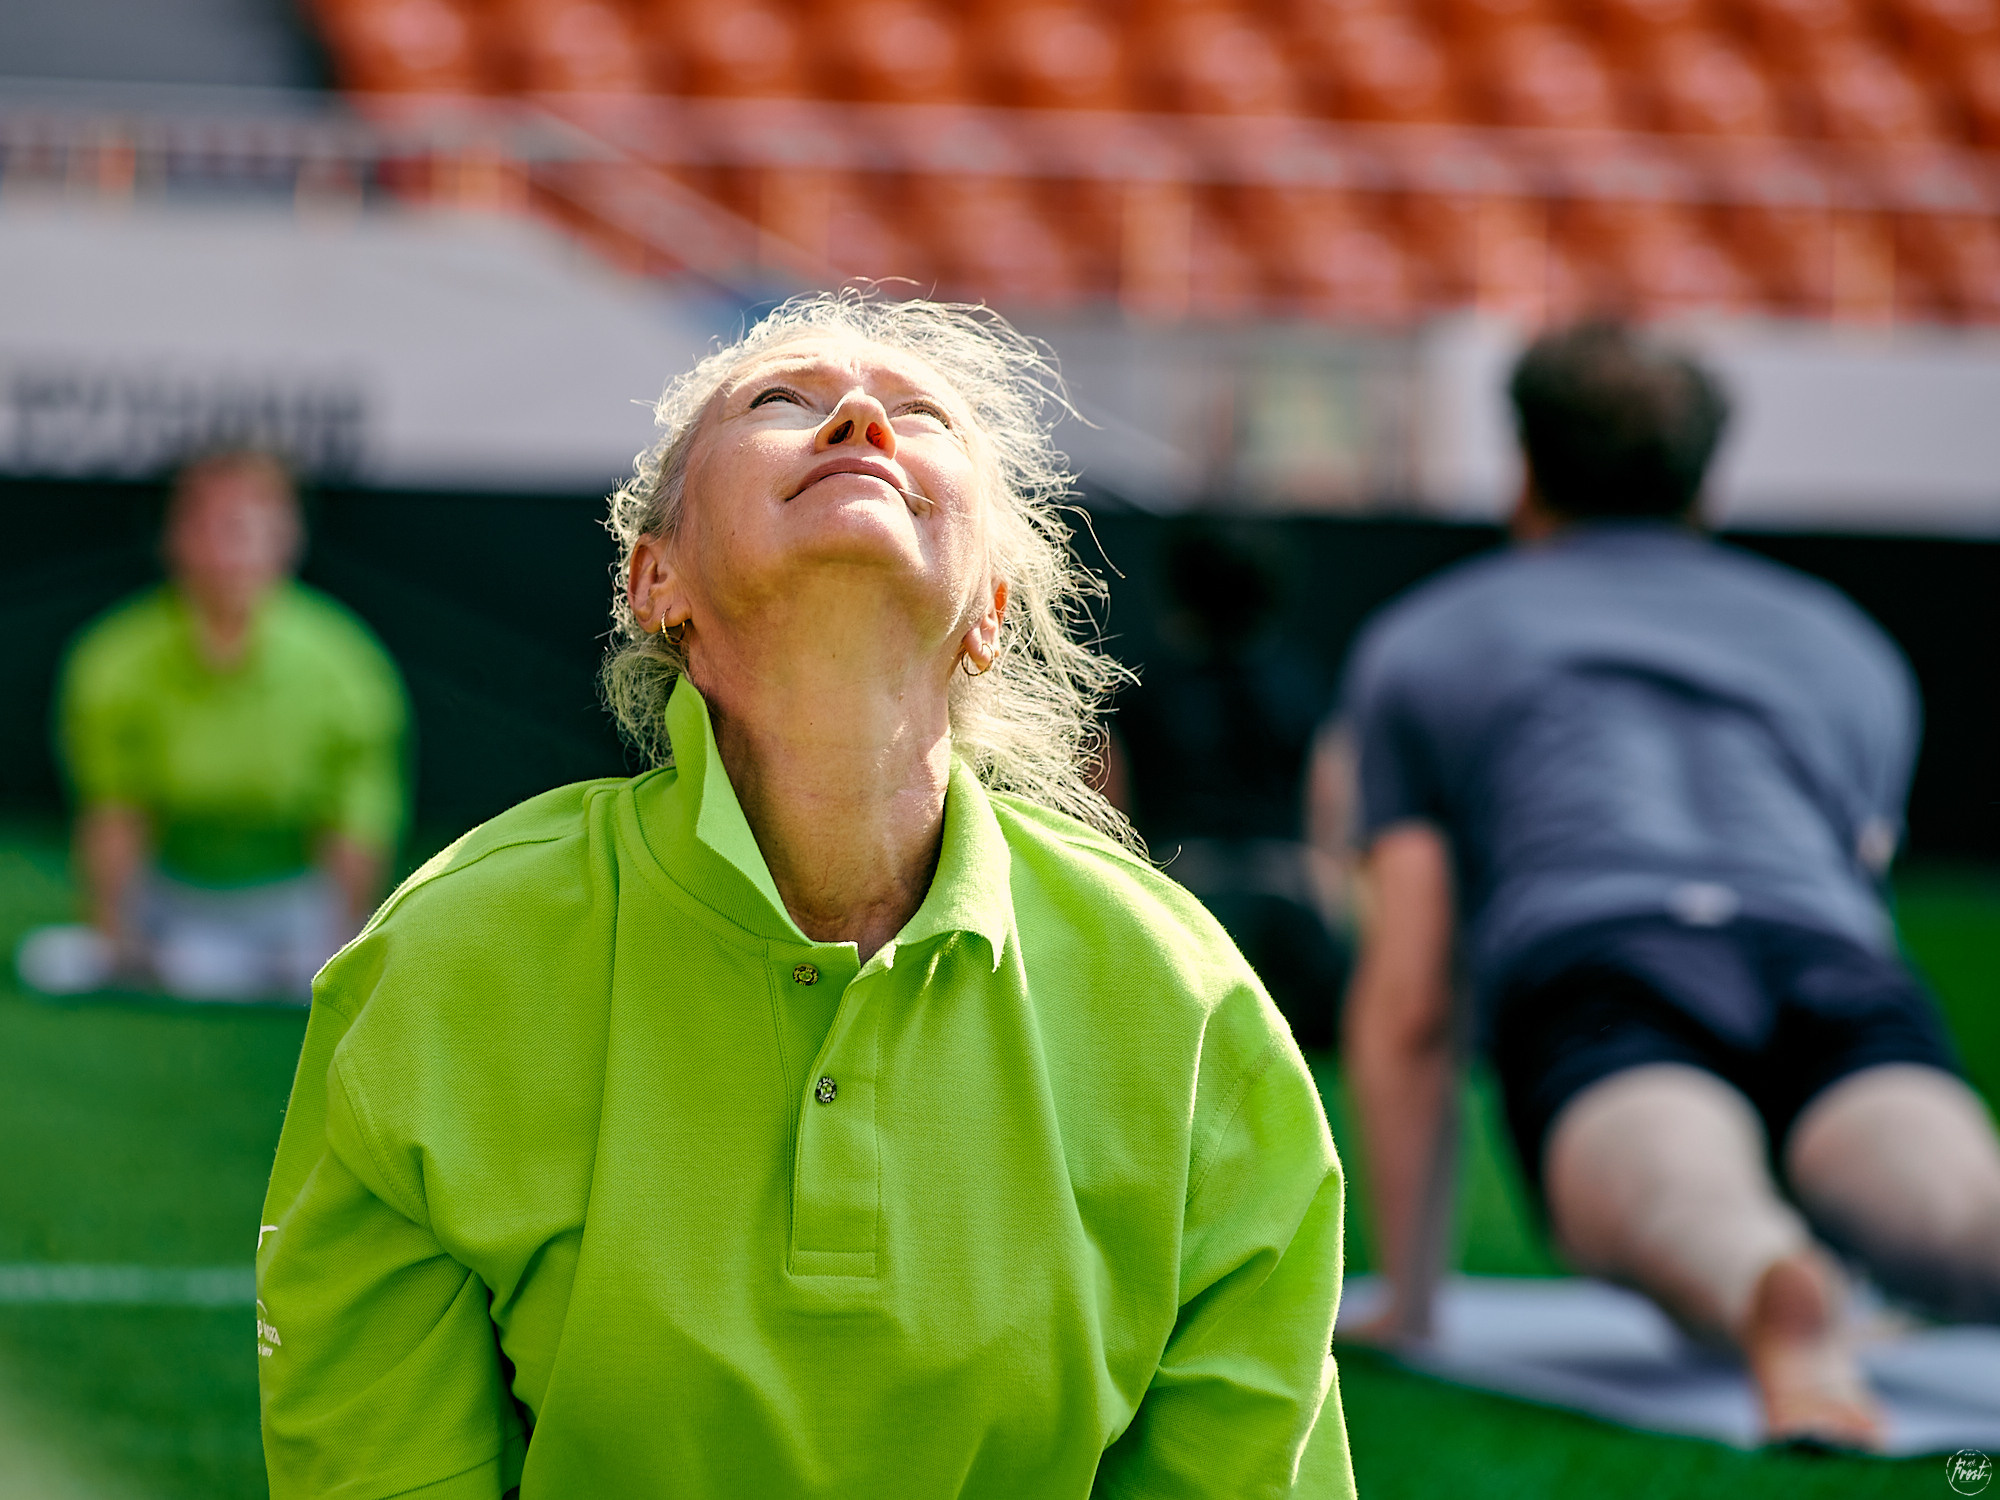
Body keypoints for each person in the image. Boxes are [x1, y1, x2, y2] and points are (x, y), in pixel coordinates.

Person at [255, 293, 1354, 1499]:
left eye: (917, 413)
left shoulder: (1186, 1002)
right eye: (782, 402)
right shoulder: (441, 961)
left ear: (990, 609)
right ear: (654, 579)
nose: (858, 421)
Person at [1332, 320, 2000, 1449]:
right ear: (1705, 472)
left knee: (1682, 1195)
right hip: (1822, 958)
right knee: (1947, 1199)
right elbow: (1861, 893)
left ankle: (1760, 1278)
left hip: (1600, 960)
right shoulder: (1840, 643)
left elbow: (1410, 998)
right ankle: (1883, 1255)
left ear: (1526, 467)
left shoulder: (1428, 642)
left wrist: (1412, 1296)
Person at [18, 452, 408, 1003]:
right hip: (171, 897)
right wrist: (112, 941)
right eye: (205, 523)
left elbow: (357, 826)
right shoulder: (112, 657)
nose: (228, 546)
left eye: (249, 525)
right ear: (172, 537)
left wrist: (340, 947)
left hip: (289, 904)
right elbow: (112, 811)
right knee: (62, 960)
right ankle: (184, 965)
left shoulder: (346, 664)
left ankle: (227, 970)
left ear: (287, 538)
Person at [1112, 521, 1350, 1048]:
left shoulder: (1140, 690)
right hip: (1290, 900)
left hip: (1179, 894)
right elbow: (1330, 811)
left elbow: (1110, 811)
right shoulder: (1303, 687)